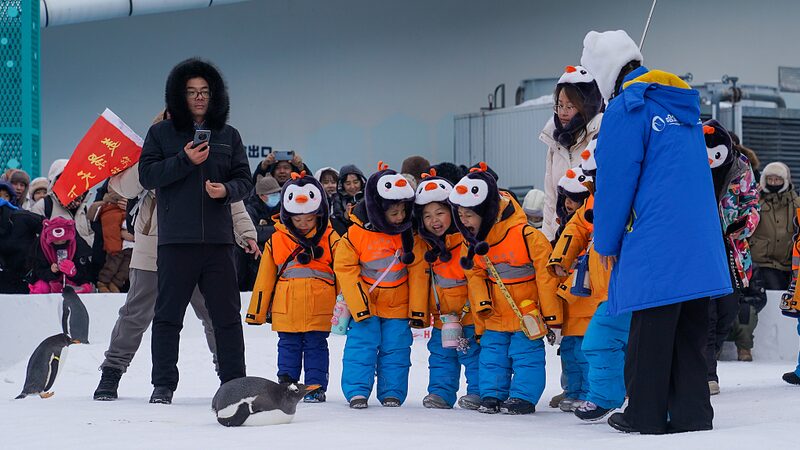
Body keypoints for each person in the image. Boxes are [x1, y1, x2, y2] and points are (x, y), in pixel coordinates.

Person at [581, 30, 731, 434]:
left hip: (657, 244)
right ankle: (692, 416)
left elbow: (615, 184)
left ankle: (643, 414)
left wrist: (607, 241)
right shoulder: (681, 107)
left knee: (650, 334)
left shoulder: (627, 109)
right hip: (700, 245)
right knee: (690, 339)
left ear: (605, 73)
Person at [93, 155, 258, 400]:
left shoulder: (209, 156)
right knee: (135, 315)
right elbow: (121, 186)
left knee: (215, 316)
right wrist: (152, 157)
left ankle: (228, 377)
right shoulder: (152, 159)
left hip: (201, 248)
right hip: (152, 250)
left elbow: (232, 201)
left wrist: (246, 233)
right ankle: (112, 371)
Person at [138, 58, 253, 404]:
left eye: (205, 92)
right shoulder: (161, 134)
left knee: (227, 318)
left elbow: (245, 181)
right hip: (175, 241)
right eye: (191, 92)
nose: (199, 98)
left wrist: (226, 192)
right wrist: (185, 160)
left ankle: (234, 381)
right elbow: (148, 176)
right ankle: (163, 385)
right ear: (179, 96)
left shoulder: (229, 135)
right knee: (167, 317)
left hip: (218, 242)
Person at [450, 162, 562, 415]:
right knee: (492, 356)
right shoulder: (476, 242)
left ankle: (523, 396)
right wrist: (482, 307)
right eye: (460, 215)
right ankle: (492, 394)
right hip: (495, 314)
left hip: (527, 313)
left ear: (485, 212)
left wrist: (552, 316)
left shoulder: (526, 235)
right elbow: (475, 276)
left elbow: (546, 277)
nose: (463, 221)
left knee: (526, 356)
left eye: (469, 215)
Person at [246, 172, 339, 403]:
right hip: (286, 307)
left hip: (320, 306)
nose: (304, 224)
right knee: (288, 346)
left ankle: (315, 387)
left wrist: (348, 304)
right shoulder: (277, 240)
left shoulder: (331, 238)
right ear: (289, 217)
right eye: (298, 220)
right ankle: (287, 384)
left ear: (319, 214)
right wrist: (256, 312)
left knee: (316, 346)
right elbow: (265, 278)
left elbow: (344, 272)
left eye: (309, 219)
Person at [335, 162, 416, 409]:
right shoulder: (356, 234)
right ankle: (357, 391)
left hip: (398, 305)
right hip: (365, 305)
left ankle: (392, 392)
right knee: (361, 350)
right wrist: (359, 305)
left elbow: (418, 271)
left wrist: (418, 308)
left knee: (396, 351)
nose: (400, 217)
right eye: (394, 213)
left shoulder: (409, 233)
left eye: (403, 211)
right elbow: (345, 269)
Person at [408, 170, 482, 410]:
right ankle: (440, 392)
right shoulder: (423, 245)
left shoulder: (468, 240)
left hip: (469, 315)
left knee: (473, 356)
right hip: (443, 318)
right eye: (427, 215)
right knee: (441, 357)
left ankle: (478, 392)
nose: (434, 220)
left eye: (440, 212)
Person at [702, 120, 760, 392]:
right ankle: (706, 372)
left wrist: (745, 224)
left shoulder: (741, 167)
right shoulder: (690, 164)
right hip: (699, 247)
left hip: (732, 248)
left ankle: (707, 358)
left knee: (728, 309)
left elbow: (752, 202)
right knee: (707, 312)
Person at [539, 65, 604, 242]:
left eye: (570, 106)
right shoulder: (554, 142)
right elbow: (551, 199)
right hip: (561, 238)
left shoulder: (602, 136)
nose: (563, 112)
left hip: (591, 236)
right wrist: (547, 242)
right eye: (560, 105)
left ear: (587, 106)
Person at [749, 161, 799, 291]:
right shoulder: (756, 200)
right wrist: (753, 196)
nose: (773, 182)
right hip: (761, 261)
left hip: (788, 262)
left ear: (785, 180)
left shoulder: (796, 203)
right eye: (770, 179)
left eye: (777, 179)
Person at [31, 159, 95, 249]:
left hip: (84, 261)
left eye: (73, 176)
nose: (70, 180)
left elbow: (91, 235)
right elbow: (37, 240)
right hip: (55, 261)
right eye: (65, 177)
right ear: (55, 181)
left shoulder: (83, 206)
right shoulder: (44, 206)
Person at [28, 217, 93, 294]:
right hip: (48, 281)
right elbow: (37, 271)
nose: (59, 243)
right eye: (56, 241)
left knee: (85, 288)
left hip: (74, 281)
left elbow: (87, 273)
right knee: (40, 288)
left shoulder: (79, 245)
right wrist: (51, 271)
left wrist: (74, 272)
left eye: (63, 240)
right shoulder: (41, 247)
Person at [239, 175, 281, 290]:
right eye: (272, 194)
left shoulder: (283, 208)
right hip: (254, 255)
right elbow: (252, 232)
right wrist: (277, 229)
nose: (276, 197)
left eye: (277, 193)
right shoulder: (250, 209)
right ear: (261, 196)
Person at [95, 187, 134, 293]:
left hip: (130, 244)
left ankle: (115, 283)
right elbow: (93, 216)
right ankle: (103, 283)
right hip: (114, 242)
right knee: (112, 265)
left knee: (127, 267)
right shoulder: (108, 205)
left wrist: (131, 205)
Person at [329, 164, 366, 236]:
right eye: (348, 183)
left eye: (356, 182)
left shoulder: (368, 196)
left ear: (361, 182)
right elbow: (337, 221)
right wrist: (345, 216)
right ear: (342, 185)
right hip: (346, 236)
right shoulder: (338, 199)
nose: (352, 187)